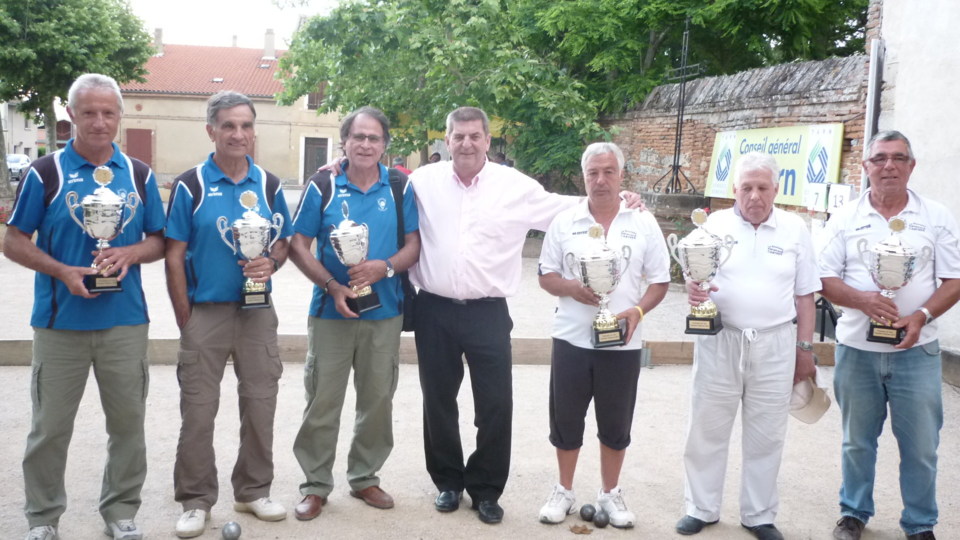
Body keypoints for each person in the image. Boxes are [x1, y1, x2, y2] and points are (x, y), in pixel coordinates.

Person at [5, 73, 165, 540]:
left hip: (125, 321)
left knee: (128, 427)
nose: (99, 122)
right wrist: (63, 272)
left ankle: (120, 513)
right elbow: (14, 242)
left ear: (120, 116)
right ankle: (43, 518)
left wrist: (131, 252)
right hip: (60, 324)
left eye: (108, 112)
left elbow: (159, 239)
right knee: (50, 428)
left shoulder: (139, 175)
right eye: (89, 112)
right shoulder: (46, 173)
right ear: (71, 115)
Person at [819, 131, 960, 540]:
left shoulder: (935, 216)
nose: (889, 166)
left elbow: (954, 279)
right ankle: (853, 513)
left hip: (917, 351)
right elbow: (823, 277)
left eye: (899, 158)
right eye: (879, 158)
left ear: (911, 166)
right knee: (857, 441)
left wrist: (921, 314)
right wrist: (864, 301)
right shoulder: (845, 217)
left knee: (920, 446)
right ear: (865, 167)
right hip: (856, 349)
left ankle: (919, 523)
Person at [164, 90, 293, 538]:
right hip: (206, 311)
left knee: (260, 404)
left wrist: (271, 261)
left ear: (254, 130)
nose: (238, 134)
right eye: (229, 126)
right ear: (211, 130)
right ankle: (196, 499)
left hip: (258, 313)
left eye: (245, 125)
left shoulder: (269, 183)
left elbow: (284, 240)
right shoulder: (191, 184)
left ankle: (253, 490)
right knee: (198, 410)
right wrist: (185, 315)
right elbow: (174, 253)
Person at [675, 152, 819, 540]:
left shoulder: (794, 228)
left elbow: (806, 296)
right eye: (746, 187)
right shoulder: (713, 225)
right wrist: (693, 287)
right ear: (734, 190)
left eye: (762, 187)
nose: (754, 196)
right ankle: (700, 507)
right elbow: (690, 272)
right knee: (707, 426)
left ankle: (759, 514)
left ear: (776, 189)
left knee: (767, 433)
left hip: (776, 343)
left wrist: (804, 350)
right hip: (721, 340)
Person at [288, 106, 421, 521]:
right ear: (344, 141)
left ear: (384, 144)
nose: (366, 144)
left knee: (378, 399)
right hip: (332, 311)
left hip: (385, 312)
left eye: (374, 138)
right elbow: (297, 245)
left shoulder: (400, 185)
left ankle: (365, 477)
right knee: (323, 399)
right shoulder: (323, 184)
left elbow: (414, 246)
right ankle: (315, 485)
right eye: (358, 137)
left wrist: (384, 267)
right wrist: (333, 285)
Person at [536, 143, 670, 528]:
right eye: (593, 173)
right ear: (584, 177)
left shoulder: (643, 221)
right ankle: (564, 490)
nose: (600, 180)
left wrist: (638, 311)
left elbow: (660, 281)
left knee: (615, 421)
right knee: (566, 420)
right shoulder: (565, 222)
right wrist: (571, 288)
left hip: (623, 340)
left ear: (621, 176)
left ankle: (610, 493)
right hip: (571, 338)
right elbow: (545, 275)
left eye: (609, 172)